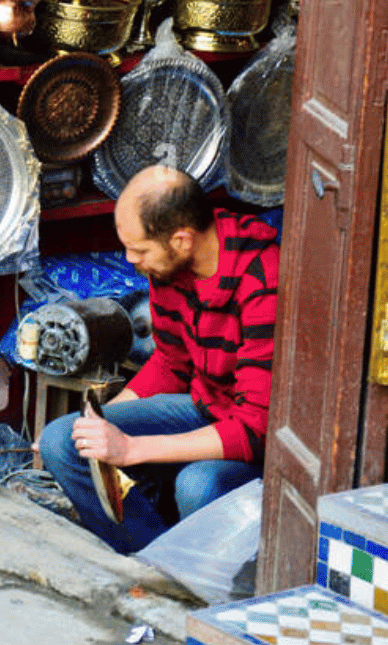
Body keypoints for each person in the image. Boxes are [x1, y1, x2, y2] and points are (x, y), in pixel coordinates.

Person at [37, 165, 280, 553]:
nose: (131, 260)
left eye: (140, 250)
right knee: (63, 440)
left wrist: (130, 449)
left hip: (256, 439)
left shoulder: (262, 279)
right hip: (206, 406)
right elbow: (170, 363)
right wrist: (98, 424)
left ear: (182, 240)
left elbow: (254, 429)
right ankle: (150, 558)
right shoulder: (169, 266)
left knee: (197, 484)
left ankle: (193, 577)